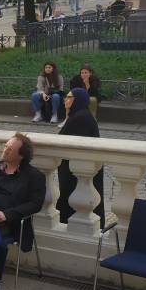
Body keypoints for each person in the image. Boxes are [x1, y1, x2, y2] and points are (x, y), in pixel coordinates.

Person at [0, 133, 46, 250]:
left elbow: (35, 204)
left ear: (21, 155)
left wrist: (7, 215)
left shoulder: (34, 176)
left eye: (10, 149)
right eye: (5, 146)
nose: (5, 150)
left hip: (5, 221)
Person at [56, 88, 105, 227]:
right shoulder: (79, 115)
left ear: (77, 100)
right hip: (75, 169)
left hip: (78, 170)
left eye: (69, 97)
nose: (65, 99)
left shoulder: (81, 118)